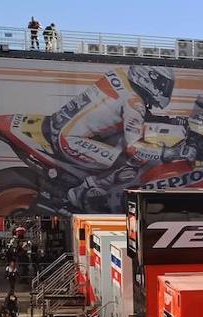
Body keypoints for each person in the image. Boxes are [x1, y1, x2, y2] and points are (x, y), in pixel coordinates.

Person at [44, 66, 180, 211]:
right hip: (69, 140)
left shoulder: (118, 75)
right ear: (149, 78)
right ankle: (78, 194)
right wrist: (165, 152)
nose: (164, 90)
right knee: (130, 162)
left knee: (120, 140)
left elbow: (121, 110)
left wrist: (168, 121)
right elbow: (134, 148)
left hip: (59, 123)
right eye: (163, 85)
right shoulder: (134, 104)